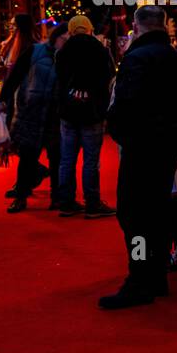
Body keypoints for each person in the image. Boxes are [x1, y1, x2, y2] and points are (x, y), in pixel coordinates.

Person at [100, 6, 177, 310]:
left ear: (137, 27)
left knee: (134, 215)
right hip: (166, 141)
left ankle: (140, 277)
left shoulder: (137, 59)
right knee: (156, 209)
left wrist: (120, 130)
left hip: (141, 145)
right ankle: (155, 273)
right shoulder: (175, 59)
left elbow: (126, 103)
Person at [0, 23, 68, 213]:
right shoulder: (35, 51)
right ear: (57, 37)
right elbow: (15, 76)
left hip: (56, 115)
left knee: (56, 159)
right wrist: (2, 99)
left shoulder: (69, 58)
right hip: (32, 112)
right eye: (65, 37)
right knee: (28, 158)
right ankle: (21, 196)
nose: (67, 42)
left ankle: (57, 197)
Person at [54, 15, 116, 218]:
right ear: (89, 29)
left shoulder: (62, 52)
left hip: (68, 111)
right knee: (91, 160)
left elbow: (60, 80)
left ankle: (66, 201)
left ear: (71, 31)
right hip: (92, 111)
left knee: (67, 159)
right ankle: (92, 202)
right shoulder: (100, 50)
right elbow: (108, 77)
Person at [0, 13, 45, 199]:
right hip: (7, 95)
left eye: (14, 25)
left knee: (18, 141)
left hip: (21, 99)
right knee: (11, 141)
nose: (11, 27)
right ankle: (34, 173)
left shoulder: (32, 47)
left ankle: (24, 183)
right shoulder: (8, 44)